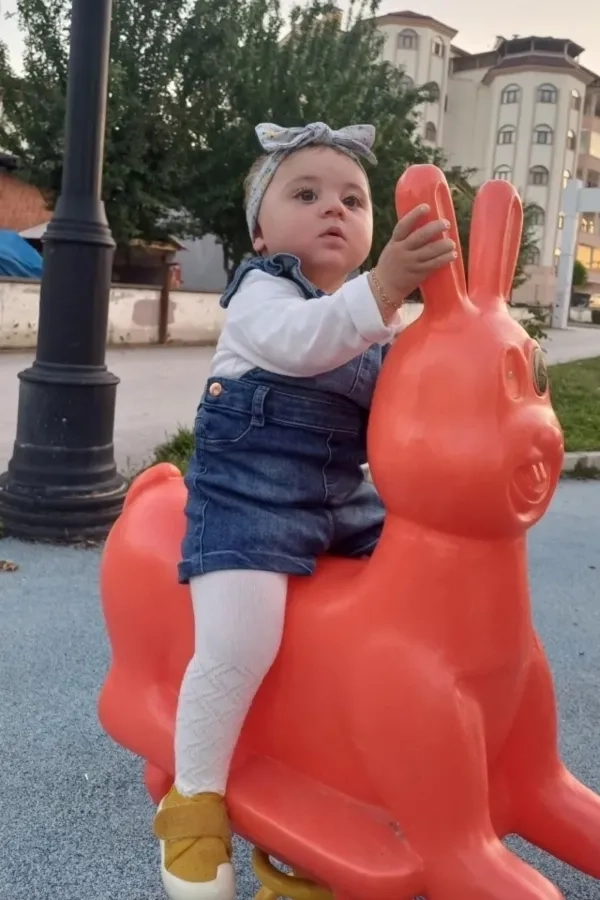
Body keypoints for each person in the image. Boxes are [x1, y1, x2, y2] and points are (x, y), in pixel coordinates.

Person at [152, 121, 457, 900]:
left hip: (340, 497)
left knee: (427, 591)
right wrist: (384, 287)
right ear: (260, 230)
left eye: (353, 200)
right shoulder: (264, 292)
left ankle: (381, 761)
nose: (333, 209)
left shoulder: (380, 319)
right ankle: (193, 799)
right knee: (239, 640)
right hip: (248, 494)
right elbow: (303, 342)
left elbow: (406, 401)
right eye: (306, 193)